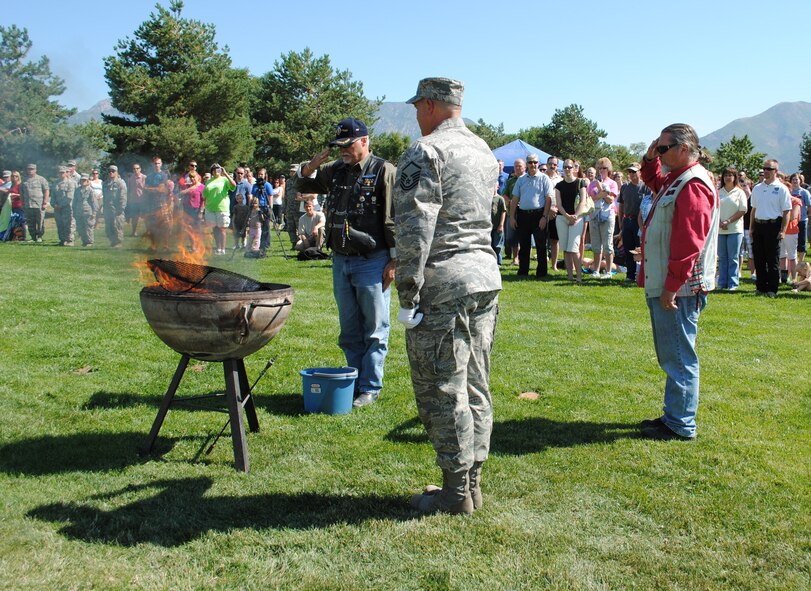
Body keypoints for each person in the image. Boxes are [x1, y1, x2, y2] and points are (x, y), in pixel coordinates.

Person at [394, 77, 500, 515]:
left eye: (420, 107)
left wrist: (407, 291)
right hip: (483, 275)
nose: (418, 115)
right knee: (476, 380)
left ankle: (456, 493)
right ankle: (471, 485)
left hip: (444, 281)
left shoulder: (427, 151)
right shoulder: (483, 151)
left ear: (433, 105)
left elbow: (415, 228)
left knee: (443, 386)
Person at [296, 117, 397, 408]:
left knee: (375, 329)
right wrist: (312, 165)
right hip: (341, 260)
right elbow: (303, 185)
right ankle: (354, 381)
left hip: (372, 259)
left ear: (364, 141)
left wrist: (395, 260)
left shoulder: (383, 170)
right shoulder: (335, 170)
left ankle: (370, 387)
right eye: (338, 145)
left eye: (347, 144)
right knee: (350, 330)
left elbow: (392, 218)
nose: (342, 150)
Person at [639, 123, 719, 441]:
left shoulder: (694, 184)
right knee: (673, 353)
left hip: (681, 288)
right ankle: (674, 416)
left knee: (680, 355)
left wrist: (671, 287)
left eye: (663, 148)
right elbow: (652, 178)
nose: (659, 153)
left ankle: (681, 423)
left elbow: (689, 243)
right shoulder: (677, 179)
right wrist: (650, 156)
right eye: (657, 148)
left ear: (683, 149)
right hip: (673, 284)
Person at [750, 159, 791, 296]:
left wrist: (783, 230)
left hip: (773, 226)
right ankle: (760, 287)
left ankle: (772, 288)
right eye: (764, 169)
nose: (766, 171)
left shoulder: (782, 188)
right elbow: (753, 210)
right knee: (759, 258)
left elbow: (786, 211)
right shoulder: (757, 188)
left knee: (772, 259)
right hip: (759, 225)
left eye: (769, 169)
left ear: (776, 171)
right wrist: (751, 228)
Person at [510, 153, 554, 277]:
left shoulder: (544, 178)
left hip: (539, 215)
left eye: (535, 162)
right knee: (524, 245)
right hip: (523, 215)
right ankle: (523, 271)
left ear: (538, 163)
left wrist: (544, 217)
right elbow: (515, 199)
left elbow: (548, 198)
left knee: (541, 245)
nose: (533, 164)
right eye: (530, 162)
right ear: (527, 164)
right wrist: (512, 217)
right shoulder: (521, 179)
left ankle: (541, 273)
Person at [554, 159, 588, 282]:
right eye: (565, 167)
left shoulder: (581, 182)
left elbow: (583, 201)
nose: (567, 169)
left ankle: (578, 276)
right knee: (566, 250)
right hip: (562, 218)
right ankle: (569, 276)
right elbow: (559, 204)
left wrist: (575, 216)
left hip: (577, 219)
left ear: (574, 168)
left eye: (569, 167)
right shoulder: (559, 185)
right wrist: (567, 216)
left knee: (574, 248)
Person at [716, 167, 748, 290]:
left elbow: (742, 210)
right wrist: (719, 222)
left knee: (733, 257)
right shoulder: (719, 192)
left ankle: (733, 283)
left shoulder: (740, 192)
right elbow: (714, 209)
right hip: (720, 229)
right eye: (726, 175)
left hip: (735, 229)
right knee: (722, 258)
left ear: (735, 177)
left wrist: (728, 221)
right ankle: (722, 282)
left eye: (730, 175)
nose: (728, 177)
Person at [588, 158, 619, 279]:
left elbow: (611, 199)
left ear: (609, 169)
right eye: (599, 168)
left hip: (608, 216)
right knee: (596, 245)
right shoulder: (592, 183)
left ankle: (608, 272)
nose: (601, 170)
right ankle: (596, 271)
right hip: (594, 215)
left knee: (608, 245)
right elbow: (590, 199)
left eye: (604, 168)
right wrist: (601, 194)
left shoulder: (612, 183)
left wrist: (601, 190)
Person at [617, 163, 647, 283]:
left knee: (639, 249)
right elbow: (621, 206)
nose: (631, 174)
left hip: (639, 221)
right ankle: (630, 275)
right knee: (628, 249)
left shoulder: (645, 187)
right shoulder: (625, 187)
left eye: (634, 172)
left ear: (640, 172)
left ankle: (640, 275)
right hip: (627, 220)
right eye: (629, 172)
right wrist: (620, 222)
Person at [202, 163, 236, 255]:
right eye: (215, 169)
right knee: (215, 229)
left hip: (222, 208)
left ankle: (223, 249)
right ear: (212, 171)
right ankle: (218, 248)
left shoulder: (224, 179)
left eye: (218, 169)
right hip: (210, 208)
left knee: (222, 229)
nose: (217, 171)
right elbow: (204, 195)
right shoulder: (209, 181)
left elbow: (233, 185)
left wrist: (226, 174)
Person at [502, 158, 525, 265]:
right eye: (515, 166)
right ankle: (515, 259)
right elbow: (504, 194)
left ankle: (524, 258)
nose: (517, 168)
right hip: (512, 212)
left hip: (525, 212)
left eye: (519, 166)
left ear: (525, 167)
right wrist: (510, 202)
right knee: (513, 237)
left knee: (525, 236)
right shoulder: (510, 181)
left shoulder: (528, 180)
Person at [20, 163, 49, 242]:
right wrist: (22, 203)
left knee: (40, 222)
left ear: (35, 170)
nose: (30, 171)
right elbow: (21, 193)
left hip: (39, 204)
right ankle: (33, 237)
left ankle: (39, 236)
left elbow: (46, 190)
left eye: (32, 169)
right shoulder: (24, 180)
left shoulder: (41, 179)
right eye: (29, 169)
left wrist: (45, 202)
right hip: (28, 204)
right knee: (30, 222)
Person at [103, 165, 128, 248]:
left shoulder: (120, 183)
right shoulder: (106, 183)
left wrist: (121, 208)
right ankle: (113, 241)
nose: (111, 172)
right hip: (108, 208)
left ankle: (118, 242)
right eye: (109, 171)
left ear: (116, 172)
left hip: (117, 208)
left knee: (117, 226)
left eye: (113, 171)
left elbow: (123, 196)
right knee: (109, 227)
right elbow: (104, 196)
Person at [789, 172, 810, 264]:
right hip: (791, 221)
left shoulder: (804, 192)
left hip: (802, 220)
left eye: (796, 179)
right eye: (793, 179)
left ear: (800, 181)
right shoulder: (788, 192)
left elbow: (809, 206)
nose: (794, 181)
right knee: (791, 240)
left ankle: (800, 262)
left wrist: (809, 217)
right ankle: (792, 259)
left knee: (802, 241)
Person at [52, 166, 76, 246]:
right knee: (60, 224)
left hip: (67, 207)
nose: (61, 174)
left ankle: (70, 240)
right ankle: (62, 240)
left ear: (66, 173)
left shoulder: (70, 183)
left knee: (68, 224)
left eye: (63, 172)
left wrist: (61, 205)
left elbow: (69, 197)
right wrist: (54, 204)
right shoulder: (55, 183)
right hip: (57, 208)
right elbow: (53, 195)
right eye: (60, 172)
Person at [252, 169, 273, 254]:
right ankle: (257, 243)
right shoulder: (255, 186)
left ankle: (265, 244)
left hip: (265, 206)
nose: (260, 176)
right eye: (259, 174)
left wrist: (270, 207)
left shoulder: (267, 185)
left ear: (265, 175)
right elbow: (253, 195)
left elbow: (270, 196)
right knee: (257, 226)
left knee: (266, 226)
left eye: (262, 174)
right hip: (257, 206)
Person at [73, 174, 97, 246]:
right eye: (82, 180)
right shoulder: (77, 190)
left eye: (84, 180)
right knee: (80, 227)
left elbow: (94, 202)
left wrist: (94, 212)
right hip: (78, 211)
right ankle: (84, 241)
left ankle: (89, 242)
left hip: (88, 211)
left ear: (87, 181)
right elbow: (75, 201)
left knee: (88, 227)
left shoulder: (90, 190)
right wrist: (74, 210)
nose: (83, 181)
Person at [126, 164, 146, 236]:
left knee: (146, 217)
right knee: (134, 217)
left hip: (143, 200)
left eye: (137, 168)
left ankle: (148, 232)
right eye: (134, 169)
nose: (136, 170)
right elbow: (129, 189)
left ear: (140, 169)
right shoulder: (131, 178)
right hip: (134, 201)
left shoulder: (144, 178)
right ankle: (134, 232)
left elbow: (146, 188)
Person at [491, 185, 506, 265]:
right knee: (490, 246)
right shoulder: (487, 198)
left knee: (497, 246)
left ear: (497, 187)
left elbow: (503, 212)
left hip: (497, 227)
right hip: (489, 227)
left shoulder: (500, 199)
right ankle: (490, 263)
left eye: (493, 186)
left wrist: (501, 225)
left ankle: (498, 263)